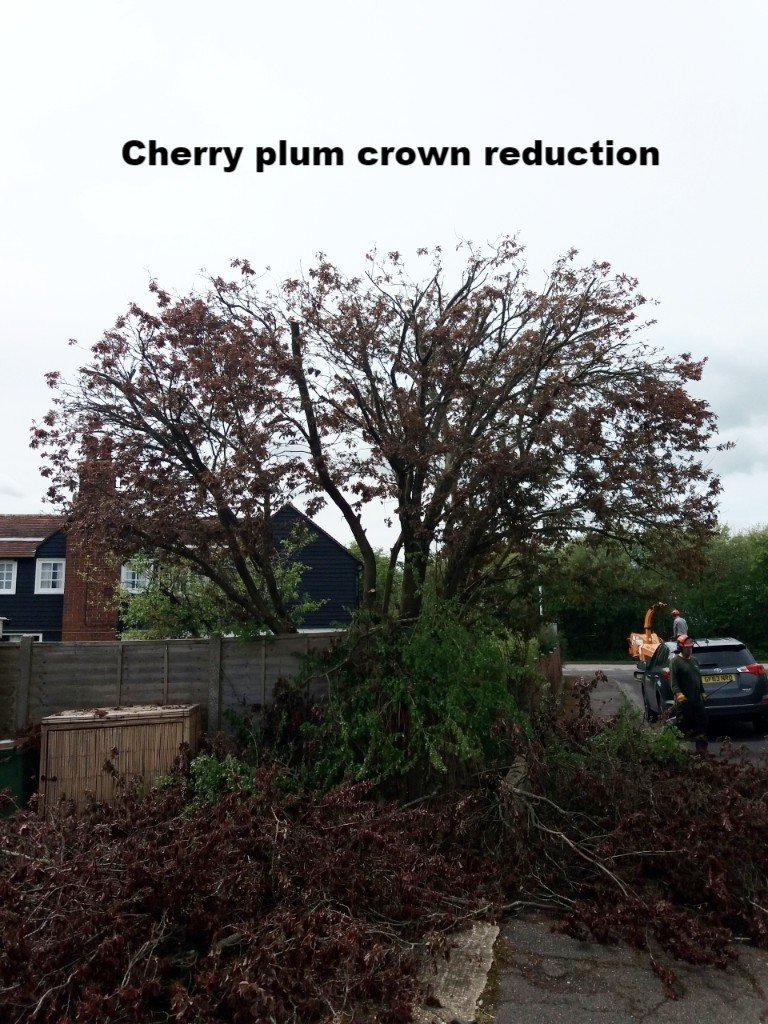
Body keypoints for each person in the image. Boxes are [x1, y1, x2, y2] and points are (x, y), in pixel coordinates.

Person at [669, 634, 708, 753]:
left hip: (697, 701)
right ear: (681, 648)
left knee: (702, 725)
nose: (689, 649)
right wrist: (678, 694)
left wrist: (702, 692)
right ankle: (676, 750)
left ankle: (701, 750)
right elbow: (673, 682)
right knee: (681, 726)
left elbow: (698, 678)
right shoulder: (675, 661)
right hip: (684, 702)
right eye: (687, 648)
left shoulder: (694, 660)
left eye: (691, 647)